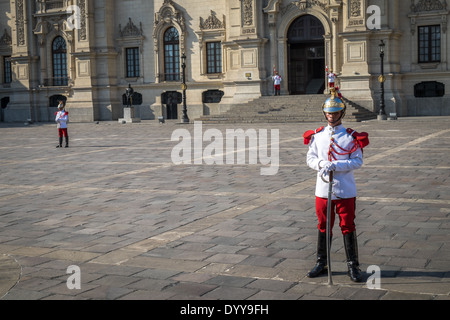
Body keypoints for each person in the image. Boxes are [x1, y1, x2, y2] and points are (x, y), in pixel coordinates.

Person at [303, 88, 369, 282]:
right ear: (325, 113)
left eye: (335, 113)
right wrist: (322, 164)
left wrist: (337, 165)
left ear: (342, 113)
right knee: (323, 226)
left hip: (345, 189)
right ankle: (321, 262)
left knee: (347, 226)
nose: (332, 116)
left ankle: (353, 265)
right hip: (323, 189)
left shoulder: (350, 136)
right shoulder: (318, 135)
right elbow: (310, 158)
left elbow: (357, 161)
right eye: (329, 113)